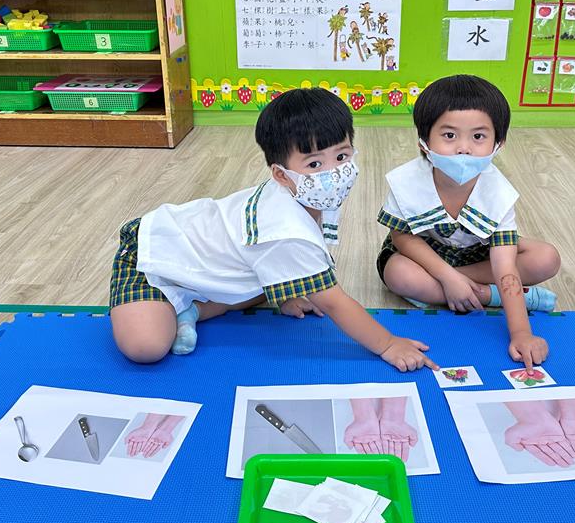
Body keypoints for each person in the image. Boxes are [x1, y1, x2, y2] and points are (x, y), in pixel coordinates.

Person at [110, 87, 438, 373]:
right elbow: (335, 302)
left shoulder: (302, 194)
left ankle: (191, 309)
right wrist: (387, 344)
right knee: (146, 347)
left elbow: (286, 259)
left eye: (341, 155)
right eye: (314, 164)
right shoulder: (283, 229)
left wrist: (289, 293)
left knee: (278, 275)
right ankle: (174, 302)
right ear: (281, 174)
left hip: (207, 258)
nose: (333, 172)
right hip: (151, 253)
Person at [375, 75, 561, 370]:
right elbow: (402, 238)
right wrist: (447, 277)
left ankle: (474, 293)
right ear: (424, 141)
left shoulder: (499, 193)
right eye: (449, 135)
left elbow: (505, 266)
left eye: (478, 137)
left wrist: (522, 333)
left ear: (498, 143)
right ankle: (490, 295)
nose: (464, 148)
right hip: (423, 254)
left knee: (546, 257)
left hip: (476, 253)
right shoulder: (407, 181)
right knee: (398, 273)